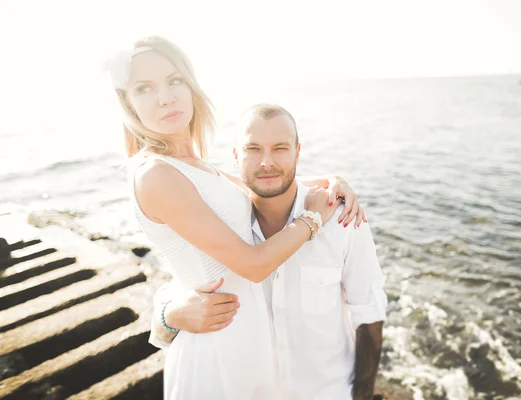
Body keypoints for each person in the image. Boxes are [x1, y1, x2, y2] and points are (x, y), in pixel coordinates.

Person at [107, 36, 366, 400]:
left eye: (174, 80)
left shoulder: (194, 165)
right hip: (221, 340)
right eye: (145, 88)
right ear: (129, 103)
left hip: (250, 333)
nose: (165, 96)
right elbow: (253, 265)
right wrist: (311, 220)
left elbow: (261, 185)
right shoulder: (156, 174)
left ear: (191, 84)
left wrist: (332, 180)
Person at [151, 104, 388, 400]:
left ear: (297, 152)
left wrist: (362, 393)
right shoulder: (219, 224)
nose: (267, 162)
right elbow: (177, 294)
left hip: (327, 391)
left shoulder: (342, 220)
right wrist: (168, 316)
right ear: (236, 155)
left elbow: (368, 308)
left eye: (280, 148)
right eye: (253, 149)